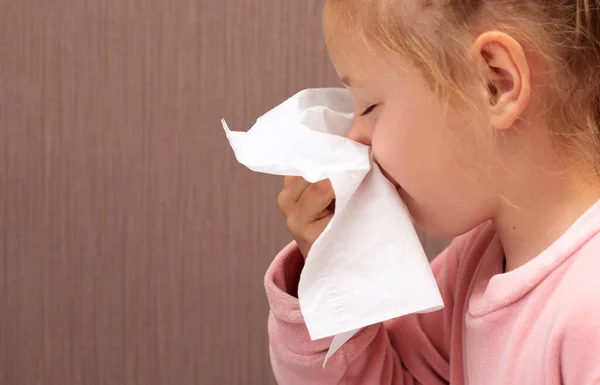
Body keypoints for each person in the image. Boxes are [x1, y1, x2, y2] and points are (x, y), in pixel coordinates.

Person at [266, 1, 600, 384]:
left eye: (370, 106)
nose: (355, 139)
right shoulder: (476, 262)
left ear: (496, 82)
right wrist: (332, 278)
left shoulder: (591, 306)